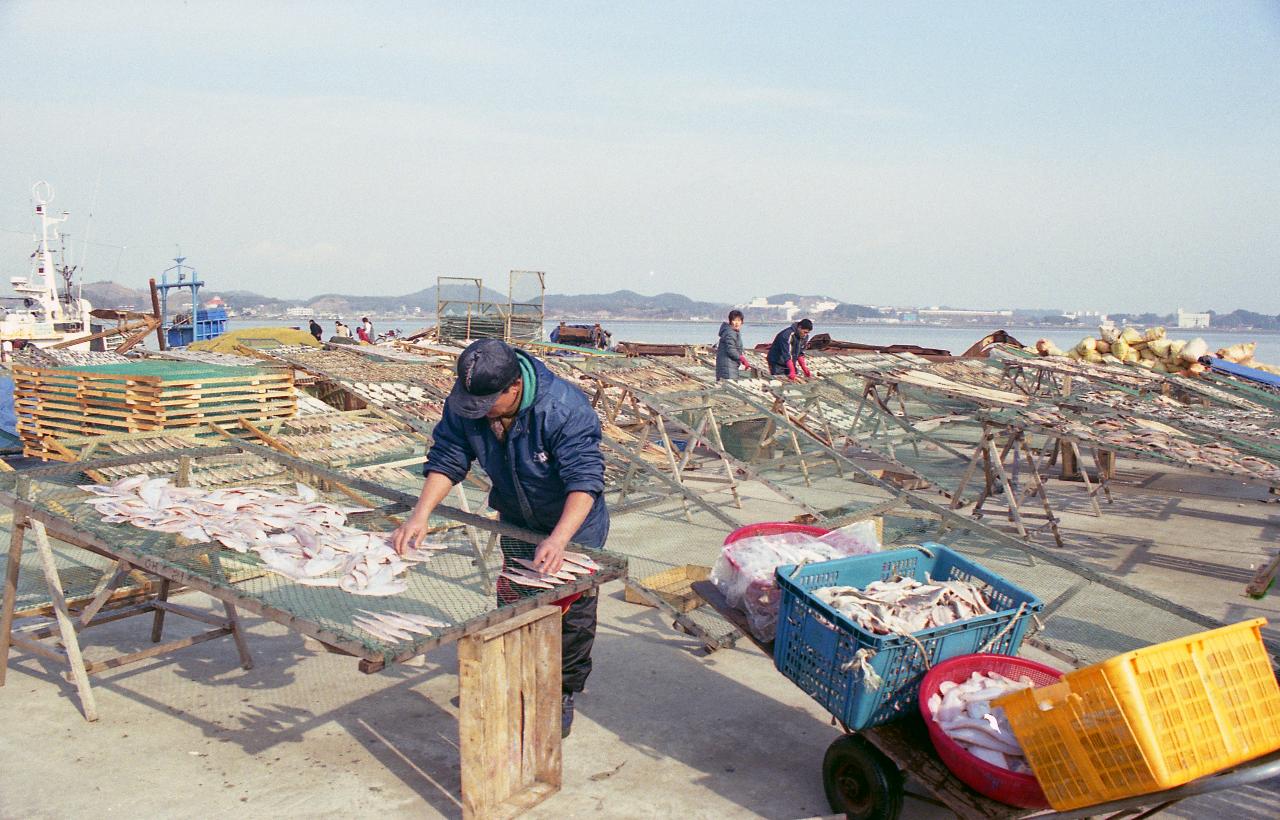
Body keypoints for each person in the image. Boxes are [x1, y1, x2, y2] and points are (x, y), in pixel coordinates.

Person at [391, 339, 608, 738]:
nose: (478, 411)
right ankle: (518, 677)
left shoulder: (563, 408)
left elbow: (585, 480)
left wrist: (559, 539)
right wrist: (419, 516)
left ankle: (561, 690)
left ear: (513, 388)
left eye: (487, 403)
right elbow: (449, 456)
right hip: (516, 519)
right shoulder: (468, 404)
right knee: (514, 600)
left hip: (573, 526)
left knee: (571, 613)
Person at [716, 310, 750, 380]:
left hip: (730, 365)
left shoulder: (734, 332)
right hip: (728, 366)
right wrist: (742, 359)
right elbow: (731, 350)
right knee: (729, 384)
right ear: (730, 321)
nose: (737, 323)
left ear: (742, 322)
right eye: (734, 320)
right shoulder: (730, 333)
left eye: (739, 320)